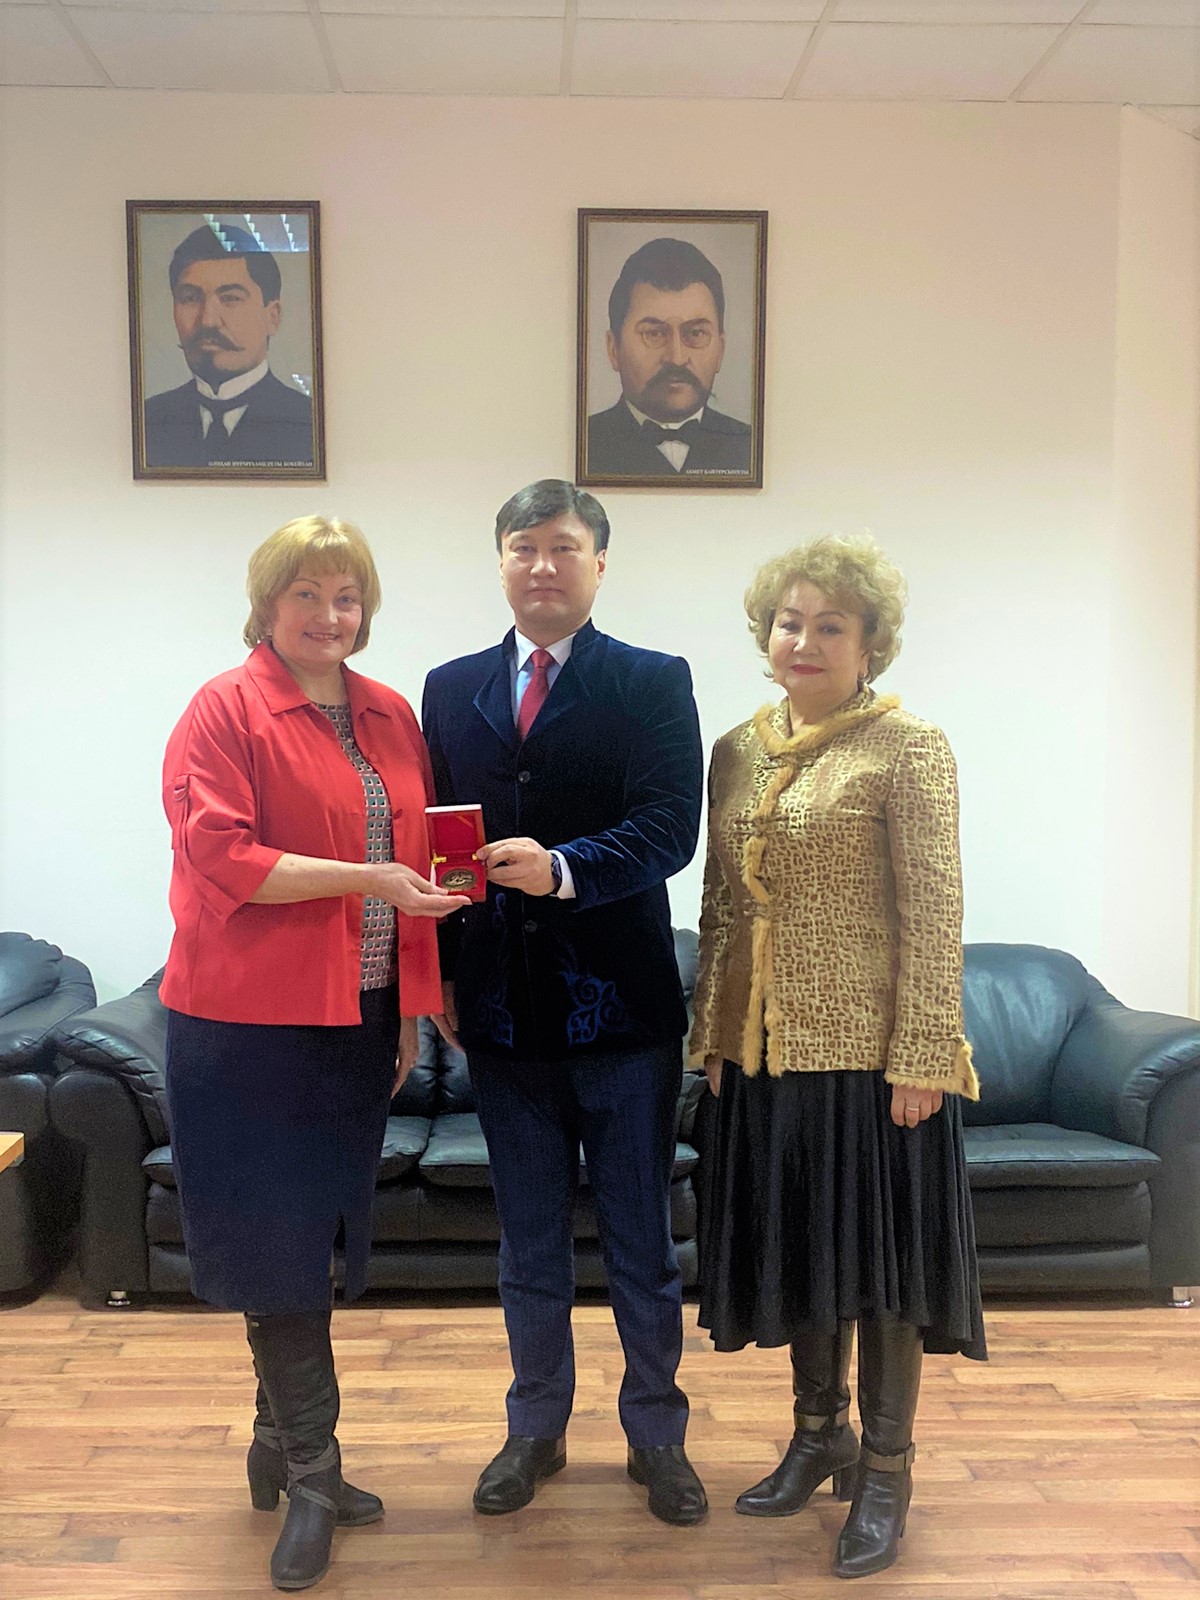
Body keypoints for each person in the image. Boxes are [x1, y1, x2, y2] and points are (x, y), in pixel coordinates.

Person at [161, 515, 468, 1593]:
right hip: (245, 1024)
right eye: (307, 594)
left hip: (359, 1016)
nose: (330, 615)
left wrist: (413, 1007)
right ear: (268, 603)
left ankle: (274, 1440)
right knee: (274, 1240)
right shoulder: (224, 707)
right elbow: (220, 857)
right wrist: (365, 879)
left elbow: (420, 860)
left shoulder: (388, 712)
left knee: (319, 1236)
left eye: (347, 597)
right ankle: (314, 1474)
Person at [690, 535, 985, 1580]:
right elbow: (720, 906)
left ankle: (888, 1471)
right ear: (765, 633)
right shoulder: (736, 748)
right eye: (789, 621)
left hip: (873, 1059)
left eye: (830, 625)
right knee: (804, 1252)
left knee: (881, 1271)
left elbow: (935, 911)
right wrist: (713, 1033)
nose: (804, 640)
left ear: (870, 644)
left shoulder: (910, 747)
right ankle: (821, 1435)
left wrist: (925, 1054)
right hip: (764, 1057)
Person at [421, 478, 708, 1526]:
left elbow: (671, 827)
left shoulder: (652, 679)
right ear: (500, 561)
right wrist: (441, 973)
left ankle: (656, 1436)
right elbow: (438, 840)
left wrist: (564, 868)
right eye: (523, 546)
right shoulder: (450, 688)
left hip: (623, 1012)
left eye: (564, 546)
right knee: (529, 1239)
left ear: (600, 563)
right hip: (501, 1013)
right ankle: (534, 1428)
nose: (543, 564)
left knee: (640, 1238)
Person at [143, 223, 314, 470]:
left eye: (231, 298)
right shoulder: (148, 421)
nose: (208, 320)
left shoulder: (308, 423)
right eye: (190, 298)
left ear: (272, 317)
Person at [586, 237, 752, 479]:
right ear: (613, 349)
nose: (676, 358)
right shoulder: (587, 444)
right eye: (654, 334)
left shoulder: (747, 446)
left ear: (721, 350)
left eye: (695, 333)